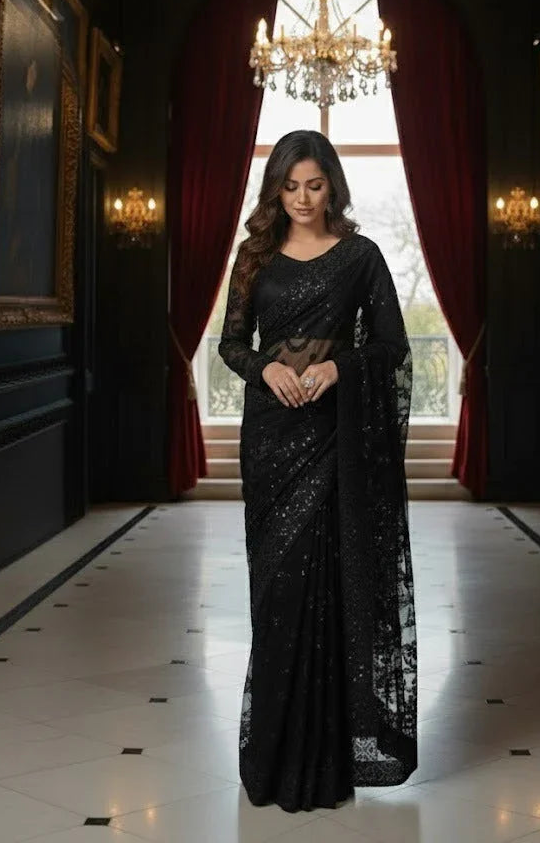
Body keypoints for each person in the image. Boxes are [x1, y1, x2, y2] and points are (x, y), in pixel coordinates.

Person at [218, 129, 417, 813]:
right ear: (275, 189)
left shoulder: (360, 257)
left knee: (329, 582)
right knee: (276, 589)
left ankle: (327, 754)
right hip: (271, 436)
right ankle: (273, 754)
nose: (302, 198)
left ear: (332, 185)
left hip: (335, 436)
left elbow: (390, 346)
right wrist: (267, 367)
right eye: (290, 186)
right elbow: (229, 345)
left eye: (315, 185)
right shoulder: (255, 256)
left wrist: (337, 367)